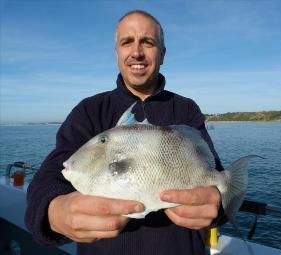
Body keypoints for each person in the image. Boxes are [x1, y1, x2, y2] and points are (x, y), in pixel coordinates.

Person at [25, 10, 225, 255]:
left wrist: (217, 207)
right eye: (126, 42)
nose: (137, 52)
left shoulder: (186, 108)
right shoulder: (90, 110)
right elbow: (49, 176)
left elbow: (213, 173)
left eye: (148, 42)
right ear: (117, 53)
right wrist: (54, 210)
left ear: (162, 54)